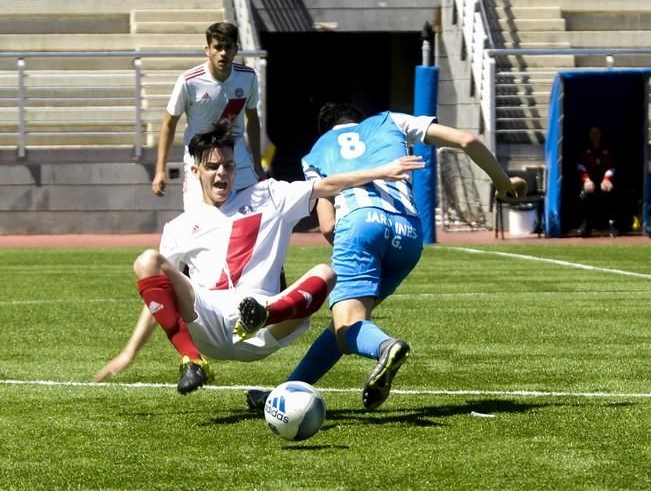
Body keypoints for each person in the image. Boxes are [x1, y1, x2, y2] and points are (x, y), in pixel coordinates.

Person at [94, 117, 426, 394]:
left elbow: (328, 184)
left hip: (264, 326)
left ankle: (264, 313)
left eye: (227, 165)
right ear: (196, 172)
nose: (222, 173)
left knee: (327, 273)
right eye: (212, 167)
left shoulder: (270, 195)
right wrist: (129, 351)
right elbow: (157, 295)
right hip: (206, 322)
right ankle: (192, 361)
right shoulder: (181, 226)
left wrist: (382, 170)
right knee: (148, 260)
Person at [246, 103, 526, 412]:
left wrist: (356, 241)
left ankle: (387, 347)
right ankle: (281, 394)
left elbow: (327, 227)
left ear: (325, 129)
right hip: (408, 233)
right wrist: (502, 182)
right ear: (358, 118)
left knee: (348, 324)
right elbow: (467, 140)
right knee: (346, 326)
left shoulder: (315, 153)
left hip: (360, 226)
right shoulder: (390, 121)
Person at [152, 21, 266, 211]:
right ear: (207, 49)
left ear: (236, 49)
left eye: (228, 47)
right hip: (200, 159)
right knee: (198, 219)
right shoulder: (189, 81)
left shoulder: (248, 77)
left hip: (237, 159)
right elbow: (168, 124)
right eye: (217, 47)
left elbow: (252, 118)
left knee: (250, 220)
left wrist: (257, 162)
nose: (223, 53)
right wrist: (160, 170)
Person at [576, 125, 617, 237]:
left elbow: (612, 166)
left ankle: (612, 224)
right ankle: (585, 223)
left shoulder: (607, 149)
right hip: (589, 179)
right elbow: (580, 166)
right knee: (585, 193)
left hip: (603, 179)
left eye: (597, 133)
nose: (595, 136)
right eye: (592, 133)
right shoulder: (584, 150)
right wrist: (587, 180)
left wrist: (606, 179)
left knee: (610, 190)